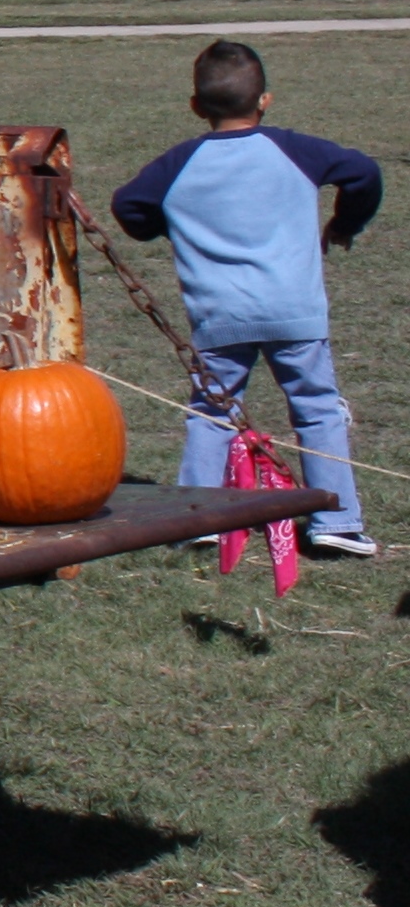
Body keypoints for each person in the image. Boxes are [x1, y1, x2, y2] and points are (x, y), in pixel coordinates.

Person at [111, 38, 381, 556]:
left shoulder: (180, 163)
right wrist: (346, 223)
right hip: (295, 312)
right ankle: (337, 521)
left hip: (219, 315)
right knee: (317, 408)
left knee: (212, 411)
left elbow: (130, 206)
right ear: (265, 100)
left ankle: (198, 516)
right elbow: (364, 173)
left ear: (196, 107)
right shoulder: (295, 149)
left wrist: (172, 227)